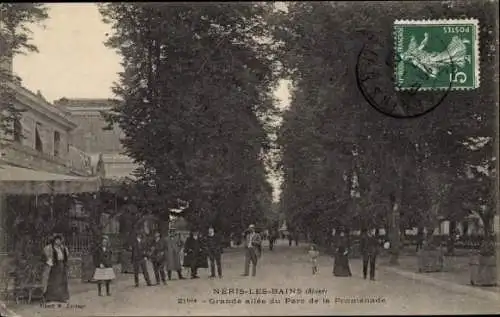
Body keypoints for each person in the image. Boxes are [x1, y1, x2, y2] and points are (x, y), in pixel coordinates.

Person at [43, 233, 70, 303]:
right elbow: (46, 254)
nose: (58, 241)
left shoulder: (62, 248)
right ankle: (50, 297)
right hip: (54, 266)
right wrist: (49, 260)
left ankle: (61, 297)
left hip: (62, 265)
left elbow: (66, 255)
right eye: (57, 240)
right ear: (54, 240)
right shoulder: (50, 247)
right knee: (53, 282)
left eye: (59, 240)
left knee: (62, 282)